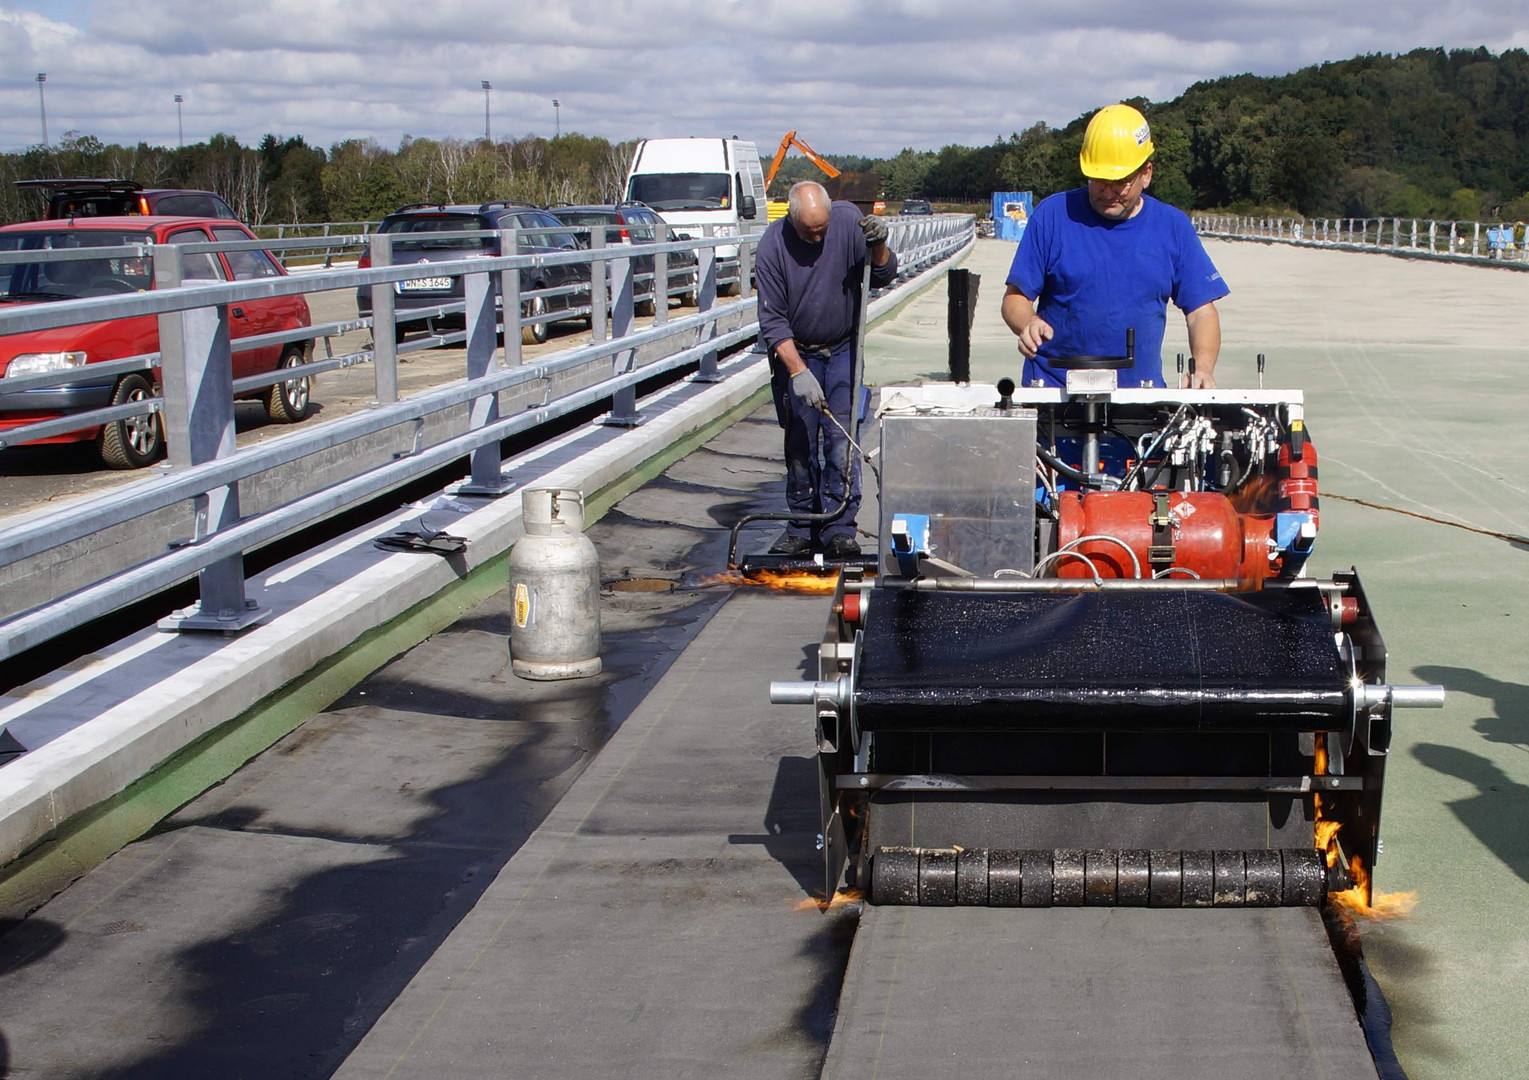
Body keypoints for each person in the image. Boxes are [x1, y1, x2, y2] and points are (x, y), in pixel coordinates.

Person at [1001, 103, 1229, 389]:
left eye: (1120, 182)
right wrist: (1028, 323)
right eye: (1099, 180)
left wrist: (1203, 368)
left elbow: (1201, 312)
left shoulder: (1172, 226)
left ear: (1146, 174)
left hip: (1139, 404)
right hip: (1056, 395)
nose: (1107, 192)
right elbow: (1015, 300)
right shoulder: (1052, 216)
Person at [755, 181, 897, 556]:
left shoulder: (848, 223)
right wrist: (797, 370)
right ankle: (802, 524)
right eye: (809, 232)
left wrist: (878, 245)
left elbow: (883, 274)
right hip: (798, 353)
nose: (818, 238)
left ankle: (839, 525)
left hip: (843, 350)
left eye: (823, 230)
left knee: (841, 437)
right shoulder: (773, 246)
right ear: (791, 219)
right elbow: (772, 321)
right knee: (800, 439)